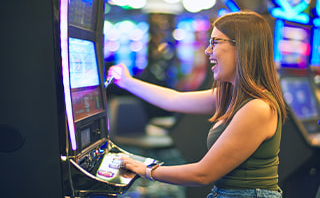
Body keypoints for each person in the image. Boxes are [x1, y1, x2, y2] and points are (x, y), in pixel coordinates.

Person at [107, 11, 287, 198]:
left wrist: (145, 170)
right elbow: (173, 100)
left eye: (215, 42)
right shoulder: (233, 96)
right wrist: (126, 82)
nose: (208, 50)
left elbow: (203, 174)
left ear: (242, 47)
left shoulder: (257, 107)